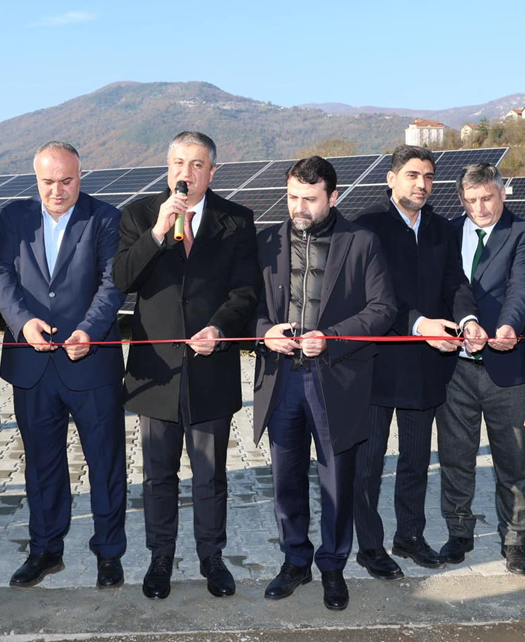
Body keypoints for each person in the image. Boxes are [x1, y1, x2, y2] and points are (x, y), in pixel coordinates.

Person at [113, 131, 261, 600]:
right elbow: (121, 279)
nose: (186, 172)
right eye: (179, 162)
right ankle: (160, 558)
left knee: (210, 473)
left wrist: (219, 329)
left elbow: (245, 291)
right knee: (157, 475)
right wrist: (158, 233)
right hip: (156, 371)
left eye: (197, 165)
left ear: (212, 172)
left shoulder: (236, 220)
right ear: (167, 165)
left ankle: (212, 558)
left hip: (210, 369)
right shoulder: (138, 215)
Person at [253, 156, 396, 610]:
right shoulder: (265, 242)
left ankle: (333, 567)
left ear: (333, 197)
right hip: (281, 382)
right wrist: (264, 332)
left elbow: (383, 310)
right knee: (285, 479)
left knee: (337, 482)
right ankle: (295, 561)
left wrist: (330, 339)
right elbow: (246, 307)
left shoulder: (361, 242)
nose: (299, 207)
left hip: (336, 379)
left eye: (310, 199)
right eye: (293, 197)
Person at [0, 142, 128, 589]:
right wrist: (21, 322)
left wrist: (89, 329)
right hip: (33, 364)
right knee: (42, 465)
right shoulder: (14, 217)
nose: (57, 190)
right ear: (36, 179)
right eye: (48, 181)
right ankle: (46, 550)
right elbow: (0, 275)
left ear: (80, 177)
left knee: (105, 462)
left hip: (91, 362)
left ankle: (109, 553)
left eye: (66, 180)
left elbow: (113, 283)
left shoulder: (106, 217)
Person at [349, 145, 483, 579]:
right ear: (390, 179)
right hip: (374, 363)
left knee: (414, 460)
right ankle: (369, 546)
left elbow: (456, 283)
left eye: (428, 176)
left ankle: (410, 535)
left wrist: (466, 319)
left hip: (426, 365)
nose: (421, 184)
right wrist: (421, 323)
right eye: (412, 175)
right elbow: (368, 297)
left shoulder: (442, 230)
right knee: (367, 465)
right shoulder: (366, 227)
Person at [437, 162, 525, 573]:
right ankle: (459, 532)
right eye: (471, 201)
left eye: (487, 198)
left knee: (514, 458)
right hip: (454, 368)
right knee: (455, 456)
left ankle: (515, 539)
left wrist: (509, 325)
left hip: (508, 367)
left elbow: (522, 286)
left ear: (503, 193)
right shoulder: (445, 232)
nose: (480, 208)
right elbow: (444, 287)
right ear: (462, 200)